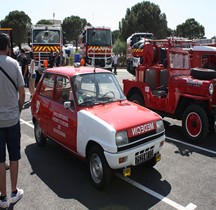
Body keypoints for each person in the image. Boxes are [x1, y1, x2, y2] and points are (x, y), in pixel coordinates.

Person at [0, 33, 25, 208]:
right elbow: (22, 92)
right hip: (12, 119)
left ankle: (2, 197)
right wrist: (19, 108)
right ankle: (14, 192)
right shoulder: (14, 64)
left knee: (0, 159)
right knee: (14, 156)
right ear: (8, 47)